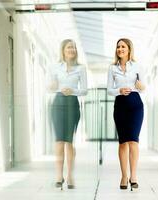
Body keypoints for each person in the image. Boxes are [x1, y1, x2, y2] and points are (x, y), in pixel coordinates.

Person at [47, 39, 87, 190]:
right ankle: (59, 175)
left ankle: (70, 175)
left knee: (69, 141)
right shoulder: (54, 67)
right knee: (59, 141)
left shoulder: (81, 68)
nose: (72, 49)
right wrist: (53, 86)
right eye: (69, 47)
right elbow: (49, 87)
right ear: (63, 50)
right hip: (58, 103)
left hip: (72, 104)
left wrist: (73, 91)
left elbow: (84, 90)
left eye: (74, 47)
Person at [107, 38, 145, 191]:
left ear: (129, 49)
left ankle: (133, 176)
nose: (120, 49)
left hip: (136, 105)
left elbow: (143, 87)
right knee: (123, 142)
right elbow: (109, 89)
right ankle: (124, 176)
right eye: (118, 47)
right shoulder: (112, 68)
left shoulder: (137, 65)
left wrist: (140, 85)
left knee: (134, 141)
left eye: (123, 46)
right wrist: (119, 90)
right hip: (120, 105)